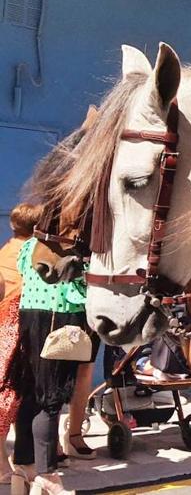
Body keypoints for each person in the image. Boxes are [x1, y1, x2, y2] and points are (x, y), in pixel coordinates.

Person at [8, 234, 86, 495]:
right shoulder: (70, 248)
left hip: (29, 315)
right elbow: (78, 289)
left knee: (30, 392)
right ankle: (47, 474)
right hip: (60, 318)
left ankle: (24, 465)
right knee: (51, 398)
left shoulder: (30, 245)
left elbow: (23, 270)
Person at [0, 204, 43, 484]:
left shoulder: (6, 250)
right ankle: (3, 463)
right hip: (17, 327)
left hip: (7, 325)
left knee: (13, 396)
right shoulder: (30, 253)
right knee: (10, 396)